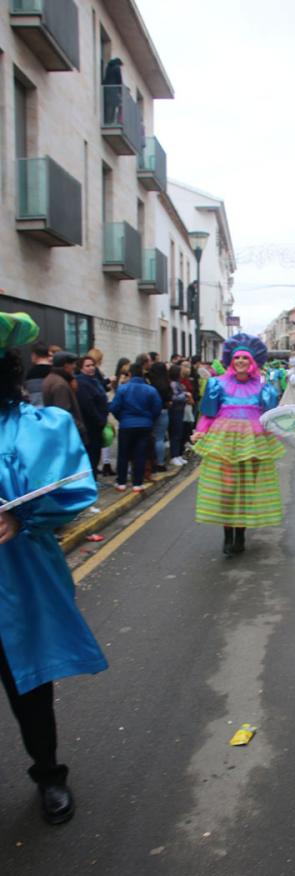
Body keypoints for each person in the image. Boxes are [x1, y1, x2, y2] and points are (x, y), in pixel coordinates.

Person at [0, 312, 108, 825]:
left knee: (30, 690)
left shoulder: (39, 427)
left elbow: (69, 490)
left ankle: (48, 773)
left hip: (19, 579)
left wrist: (22, 518)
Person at [191, 333, 284, 558]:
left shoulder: (263, 387)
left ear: (252, 362)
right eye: (237, 358)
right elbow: (209, 413)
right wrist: (200, 432)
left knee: (246, 489)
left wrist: (276, 433)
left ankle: (240, 536)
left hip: (253, 441)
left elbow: (269, 415)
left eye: (245, 358)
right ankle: (228, 533)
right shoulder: (216, 384)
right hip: (225, 441)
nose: (241, 362)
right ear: (231, 361)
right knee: (228, 488)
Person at [108, 362, 162, 491]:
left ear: (130, 374)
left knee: (123, 454)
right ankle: (137, 483)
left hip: (126, 425)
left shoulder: (123, 389)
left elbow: (115, 407)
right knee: (140, 454)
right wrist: (149, 419)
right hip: (145, 425)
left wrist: (121, 418)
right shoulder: (151, 390)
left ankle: (121, 482)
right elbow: (157, 408)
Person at [76, 356, 109, 478]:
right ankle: (91, 479)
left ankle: (94, 477)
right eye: (87, 366)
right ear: (81, 368)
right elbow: (88, 404)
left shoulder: (94, 380)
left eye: (92, 365)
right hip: (90, 424)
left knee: (96, 452)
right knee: (91, 453)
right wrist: (99, 419)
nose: (91, 368)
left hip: (98, 423)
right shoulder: (82, 382)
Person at [42, 350, 86, 441]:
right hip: (65, 435)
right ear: (66, 365)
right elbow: (63, 413)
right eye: (72, 364)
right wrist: (80, 427)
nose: (74, 367)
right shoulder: (60, 384)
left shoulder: (51, 378)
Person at [148, 362, 172, 473]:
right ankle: (160, 463)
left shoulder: (150, 383)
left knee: (151, 438)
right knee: (160, 438)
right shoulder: (166, 384)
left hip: (151, 412)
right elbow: (170, 400)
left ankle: (151, 463)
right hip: (163, 411)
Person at [23, 341, 53, 407]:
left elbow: (32, 397)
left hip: (37, 412)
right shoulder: (55, 371)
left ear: (34, 355)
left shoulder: (31, 373)